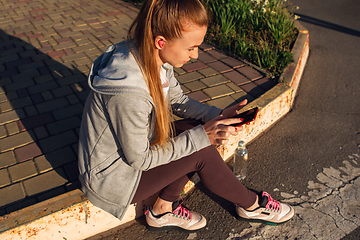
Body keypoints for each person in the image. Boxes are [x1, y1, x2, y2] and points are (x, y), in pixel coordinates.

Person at [78, 0, 294, 232]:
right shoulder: (130, 92)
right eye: (191, 48)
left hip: (130, 157)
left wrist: (218, 115)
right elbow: (139, 160)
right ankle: (251, 205)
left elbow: (178, 101)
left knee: (197, 129)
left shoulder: (153, 55)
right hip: (112, 178)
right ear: (161, 42)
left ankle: (163, 209)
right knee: (200, 147)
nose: (195, 55)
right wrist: (203, 136)